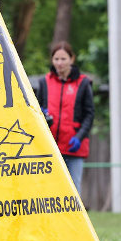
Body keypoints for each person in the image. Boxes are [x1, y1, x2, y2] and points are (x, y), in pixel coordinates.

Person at [36, 41, 95, 194]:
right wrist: (43, 115)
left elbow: (89, 114)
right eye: (56, 59)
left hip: (73, 145)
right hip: (50, 146)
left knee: (73, 190)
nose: (59, 63)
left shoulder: (83, 83)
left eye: (63, 59)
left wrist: (79, 137)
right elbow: (36, 111)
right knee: (50, 191)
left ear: (72, 59)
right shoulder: (44, 82)